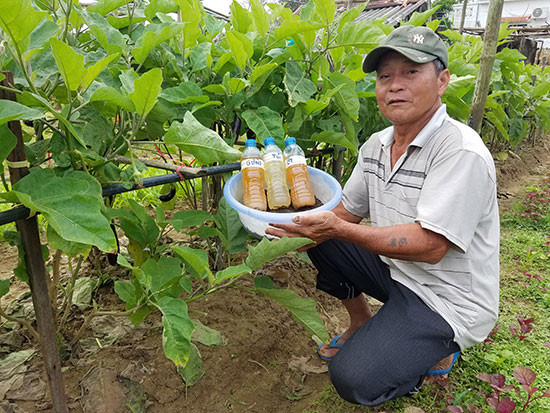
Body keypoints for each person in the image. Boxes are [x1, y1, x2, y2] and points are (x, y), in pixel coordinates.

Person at [266, 25, 499, 406]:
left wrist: (337, 228)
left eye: (410, 72)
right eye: (385, 76)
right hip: (396, 271)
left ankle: (440, 345)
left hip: (446, 297)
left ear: (442, 82)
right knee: (317, 226)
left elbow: (431, 246)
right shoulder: (377, 145)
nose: (395, 86)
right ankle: (361, 320)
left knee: (354, 379)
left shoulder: (460, 151)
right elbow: (344, 212)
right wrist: (283, 229)